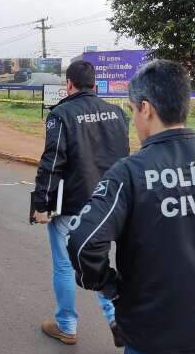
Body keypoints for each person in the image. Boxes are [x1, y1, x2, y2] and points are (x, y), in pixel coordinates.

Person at [66, 60, 195, 354]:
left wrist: (111, 288)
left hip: (149, 334)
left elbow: (83, 240)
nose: (134, 119)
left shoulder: (127, 175)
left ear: (146, 109)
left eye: (133, 110)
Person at [32, 60, 130, 347]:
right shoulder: (117, 114)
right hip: (110, 206)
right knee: (99, 261)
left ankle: (67, 326)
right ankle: (117, 318)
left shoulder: (60, 114)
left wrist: (41, 204)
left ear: (69, 84)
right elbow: (124, 158)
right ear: (95, 85)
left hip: (72, 206)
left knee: (65, 265)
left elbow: (52, 163)